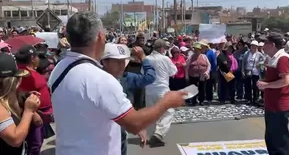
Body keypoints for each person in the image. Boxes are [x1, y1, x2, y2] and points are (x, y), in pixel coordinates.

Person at [48, 12, 186, 155]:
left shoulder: (59, 68)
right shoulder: (100, 79)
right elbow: (134, 124)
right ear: (101, 36)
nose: (121, 65)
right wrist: (166, 103)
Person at [100, 43, 156, 155]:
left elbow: (150, 77)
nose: (122, 65)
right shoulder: (95, 79)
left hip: (120, 133)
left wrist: (143, 58)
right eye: (117, 62)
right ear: (105, 62)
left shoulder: (126, 77)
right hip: (100, 135)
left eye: (123, 62)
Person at [257, 32, 289, 154]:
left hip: (279, 105)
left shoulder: (282, 58)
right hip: (271, 104)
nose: (262, 46)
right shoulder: (272, 58)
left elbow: (285, 81)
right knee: (271, 139)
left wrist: (266, 85)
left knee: (279, 140)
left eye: (265, 43)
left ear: (271, 45)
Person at [15, 45, 53, 155]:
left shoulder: (30, 71)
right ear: (33, 58)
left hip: (40, 113)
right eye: (37, 56)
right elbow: (19, 96)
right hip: (33, 114)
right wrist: (33, 114)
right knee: (34, 145)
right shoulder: (24, 74)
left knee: (37, 143)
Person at [0, 53, 41, 155]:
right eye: (18, 78)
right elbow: (15, 140)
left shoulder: (12, 100)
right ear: (13, 81)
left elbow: (38, 122)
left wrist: (26, 103)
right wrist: (28, 111)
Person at [145, 39, 178, 147]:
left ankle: (152, 136)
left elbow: (142, 74)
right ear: (162, 49)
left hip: (149, 90)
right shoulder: (165, 59)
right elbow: (174, 71)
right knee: (169, 112)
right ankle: (159, 133)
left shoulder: (146, 59)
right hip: (162, 90)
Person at [242, 40, 265, 105]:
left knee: (256, 86)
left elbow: (263, 62)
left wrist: (259, 65)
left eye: (254, 46)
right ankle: (248, 99)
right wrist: (243, 71)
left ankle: (256, 99)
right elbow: (243, 62)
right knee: (248, 86)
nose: (253, 47)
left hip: (256, 72)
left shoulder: (260, 54)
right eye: (252, 46)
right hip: (248, 71)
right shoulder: (246, 53)